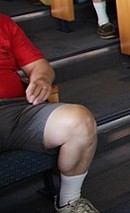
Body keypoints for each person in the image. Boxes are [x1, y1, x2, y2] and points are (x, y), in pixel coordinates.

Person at [0, 15, 100, 213]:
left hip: (18, 111)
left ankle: (69, 201)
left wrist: (41, 79)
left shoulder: (4, 23)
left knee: (80, 121)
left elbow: (38, 65)